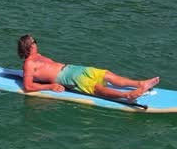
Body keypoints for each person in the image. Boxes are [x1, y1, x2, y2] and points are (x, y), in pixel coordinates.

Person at [16, 34, 158, 103]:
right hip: (67, 78)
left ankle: (140, 83)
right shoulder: (29, 63)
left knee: (106, 74)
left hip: (73, 69)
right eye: (35, 41)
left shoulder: (39, 56)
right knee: (95, 87)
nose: (37, 43)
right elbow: (28, 86)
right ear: (29, 46)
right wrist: (50, 86)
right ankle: (128, 96)